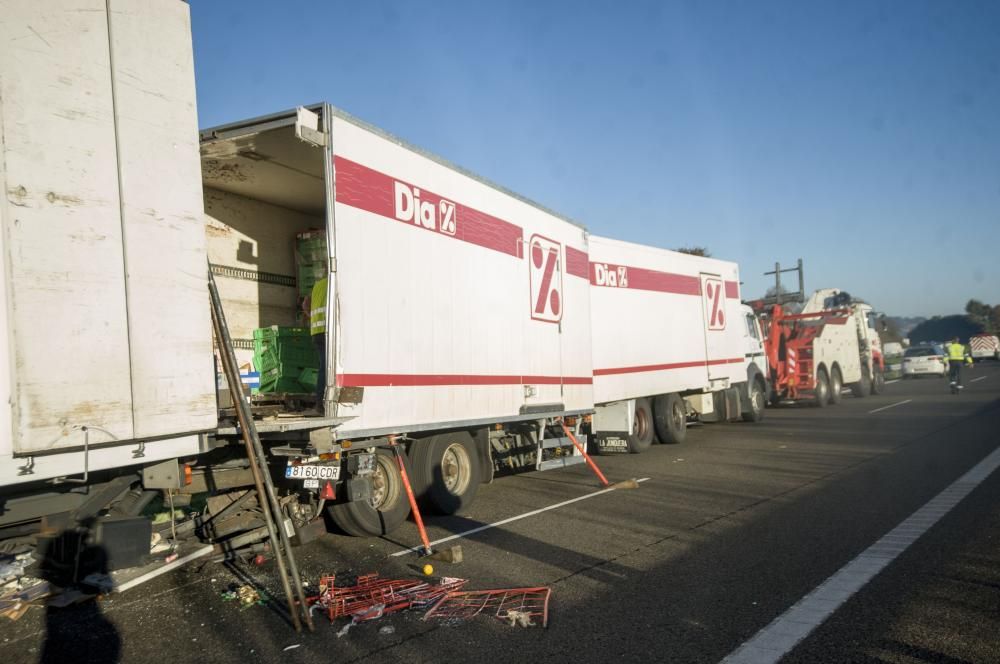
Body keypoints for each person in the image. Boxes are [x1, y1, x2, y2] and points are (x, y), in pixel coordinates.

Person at [310, 276, 328, 414]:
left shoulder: (318, 285)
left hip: (316, 331)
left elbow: (305, 303)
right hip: (327, 331)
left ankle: (319, 403)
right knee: (327, 368)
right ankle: (321, 403)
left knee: (323, 367)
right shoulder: (334, 281)